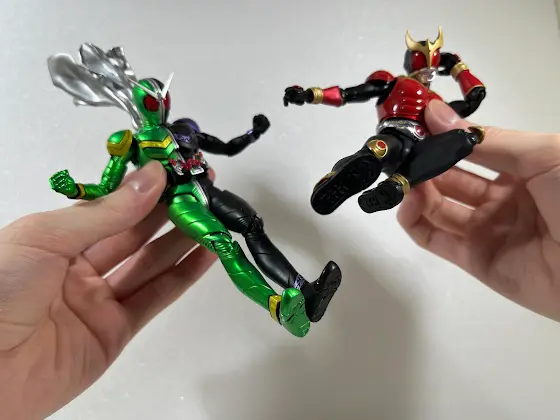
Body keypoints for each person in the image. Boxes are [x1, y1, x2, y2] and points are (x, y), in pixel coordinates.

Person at [0, 100, 558, 418]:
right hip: (178, 202)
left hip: (207, 190)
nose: (159, 104)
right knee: (222, 245)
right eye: (151, 99)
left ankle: (303, 293)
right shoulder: (127, 142)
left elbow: (223, 148)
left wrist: (253, 132)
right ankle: (277, 304)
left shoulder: (183, 130)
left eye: (160, 98)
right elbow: (105, 187)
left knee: (254, 227)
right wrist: (75, 187)